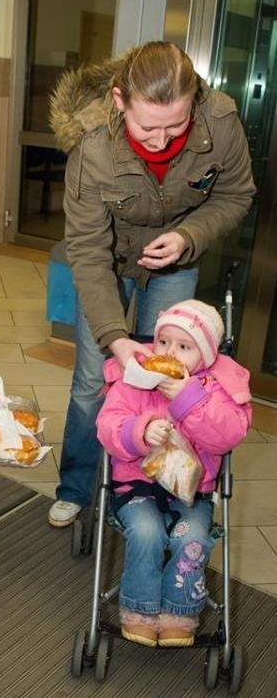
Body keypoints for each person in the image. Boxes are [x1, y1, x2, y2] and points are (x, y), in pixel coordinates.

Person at [47, 41, 255, 528]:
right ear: (119, 101)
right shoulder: (93, 144)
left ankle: (161, 481)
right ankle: (77, 487)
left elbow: (236, 193)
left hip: (173, 264)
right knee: (93, 379)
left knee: (174, 378)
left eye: (176, 126)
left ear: (195, 105)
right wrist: (115, 339)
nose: (161, 141)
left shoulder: (220, 122)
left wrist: (188, 236)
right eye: (147, 127)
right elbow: (87, 248)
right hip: (108, 263)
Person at [96, 299, 251, 647]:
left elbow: (228, 435)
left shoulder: (217, 391)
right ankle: (139, 609)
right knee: (148, 532)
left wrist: (189, 398)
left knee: (190, 538)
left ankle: (180, 611)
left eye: (185, 347)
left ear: (206, 357)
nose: (170, 353)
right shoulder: (134, 379)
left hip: (192, 494)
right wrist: (139, 431)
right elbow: (107, 425)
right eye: (164, 342)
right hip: (136, 488)